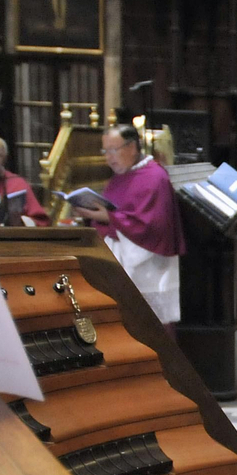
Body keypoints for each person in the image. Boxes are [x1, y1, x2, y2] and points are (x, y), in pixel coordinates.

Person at [74, 123, 185, 326]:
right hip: (119, 259)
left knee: (148, 326)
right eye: (105, 151)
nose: (108, 157)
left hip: (147, 266)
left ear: (132, 147)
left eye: (113, 150)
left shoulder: (154, 177)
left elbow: (153, 227)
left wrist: (109, 218)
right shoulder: (121, 177)